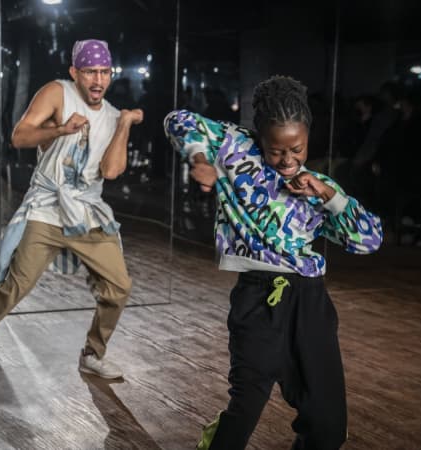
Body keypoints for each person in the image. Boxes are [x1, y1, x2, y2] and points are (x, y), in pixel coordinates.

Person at [164, 76, 383, 449]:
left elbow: (369, 239)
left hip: (310, 303)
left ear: (307, 138)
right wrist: (199, 158)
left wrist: (328, 195)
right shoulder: (237, 150)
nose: (287, 160)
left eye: (296, 149)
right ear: (259, 139)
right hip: (257, 299)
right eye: (276, 150)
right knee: (246, 408)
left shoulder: (319, 186)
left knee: (328, 426)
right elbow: (178, 120)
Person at [0, 39, 143, 392]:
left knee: (119, 286)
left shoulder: (111, 116)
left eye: (104, 72)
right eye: (90, 71)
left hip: (87, 213)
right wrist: (60, 130)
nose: (98, 79)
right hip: (47, 208)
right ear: (75, 72)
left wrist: (124, 126)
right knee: (14, 286)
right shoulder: (58, 92)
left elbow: (112, 169)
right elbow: (19, 136)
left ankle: (92, 354)